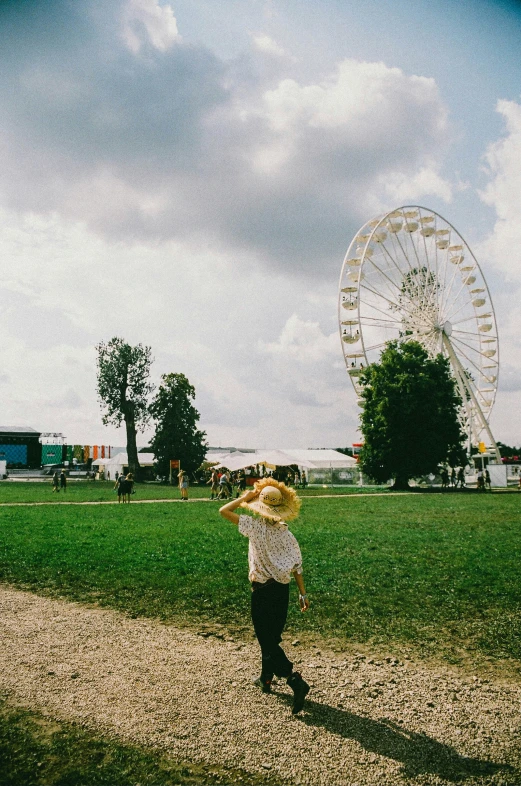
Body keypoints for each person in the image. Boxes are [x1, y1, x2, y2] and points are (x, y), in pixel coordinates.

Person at [219, 478, 311, 715]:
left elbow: (223, 510)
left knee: (266, 640)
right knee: (271, 637)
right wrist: (303, 594)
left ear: (258, 506)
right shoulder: (288, 535)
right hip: (283, 591)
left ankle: (294, 680)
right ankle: (265, 679)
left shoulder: (254, 527)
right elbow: (297, 567)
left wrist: (245, 498)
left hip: (262, 591)